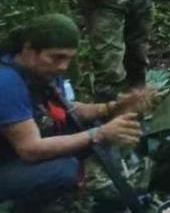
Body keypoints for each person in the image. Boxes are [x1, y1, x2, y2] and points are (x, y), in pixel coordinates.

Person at [0, 14, 148, 211]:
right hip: (9, 163)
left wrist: (112, 107)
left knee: (97, 131)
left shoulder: (42, 71)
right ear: (28, 50)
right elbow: (30, 149)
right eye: (56, 57)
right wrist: (99, 133)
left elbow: (67, 110)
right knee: (65, 169)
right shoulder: (6, 82)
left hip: (22, 152)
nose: (63, 66)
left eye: (69, 58)